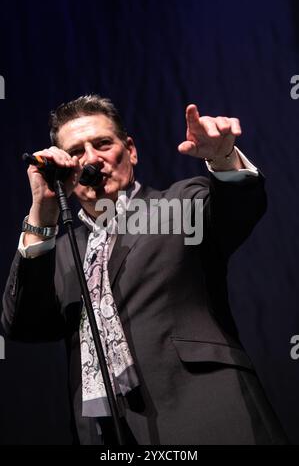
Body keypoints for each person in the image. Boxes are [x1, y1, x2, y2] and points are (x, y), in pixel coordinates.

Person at [2, 95, 287, 445]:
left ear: (131, 150)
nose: (91, 159)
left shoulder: (180, 205)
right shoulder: (60, 253)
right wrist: (41, 213)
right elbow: (23, 324)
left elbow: (239, 205)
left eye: (103, 143)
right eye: (76, 152)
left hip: (208, 415)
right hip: (108, 436)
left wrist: (222, 155)